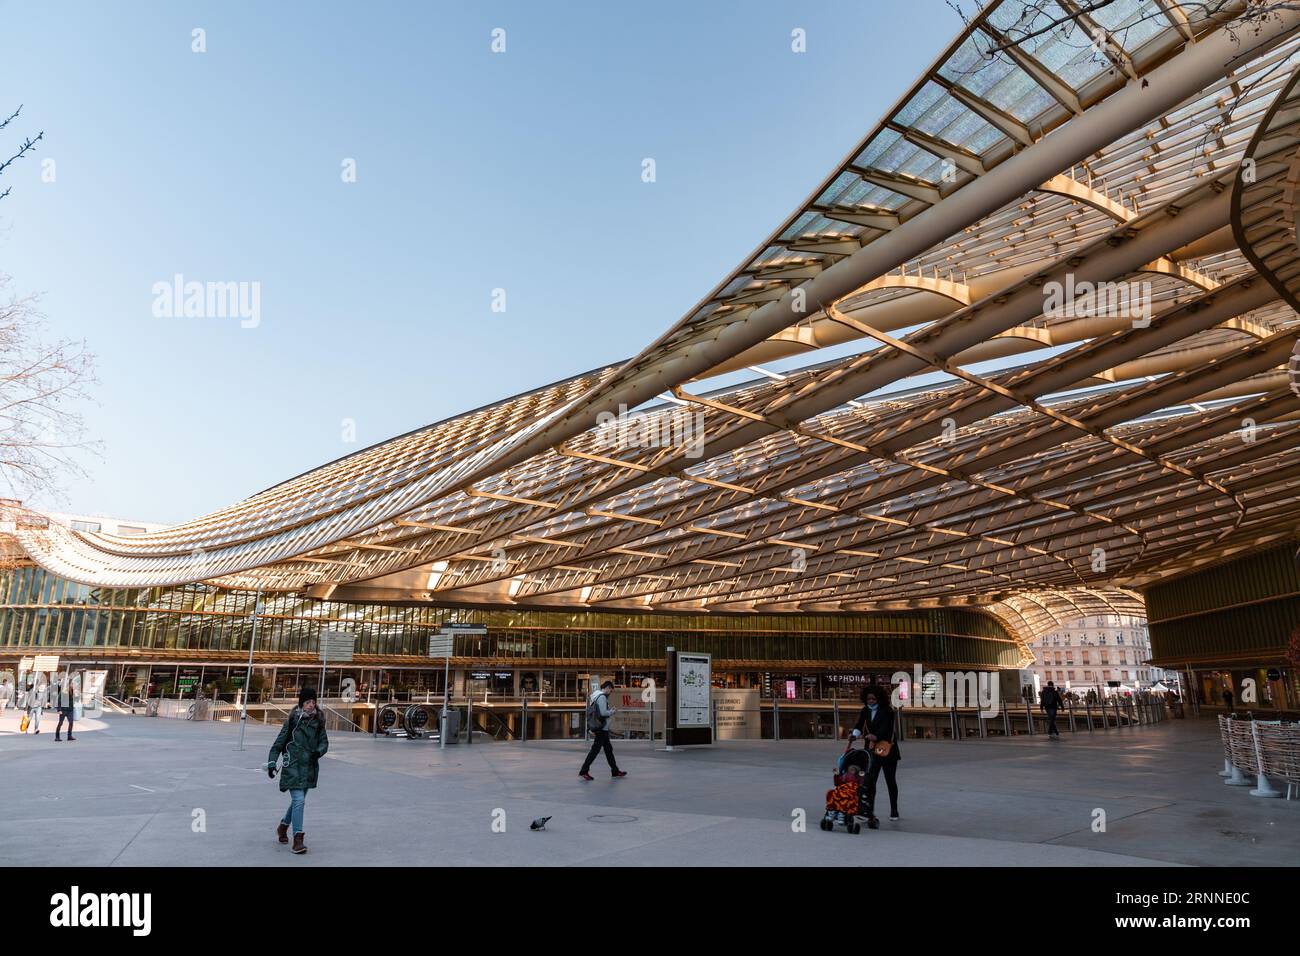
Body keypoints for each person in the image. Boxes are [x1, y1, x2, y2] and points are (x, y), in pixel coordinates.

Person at [266, 686, 329, 855]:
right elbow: (278, 744)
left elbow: (324, 742)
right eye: (308, 702)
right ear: (302, 703)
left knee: (297, 802)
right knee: (299, 800)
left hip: (309, 768)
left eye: (313, 702)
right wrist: (272, 763)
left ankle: (283, 827)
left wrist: (318, 752)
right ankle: (298, 839)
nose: (311, 705)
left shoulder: (318, 723)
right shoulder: (292, 721)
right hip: (292, 767)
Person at [850, 685, 900, 825]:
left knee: (890, 781)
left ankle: (894, 809)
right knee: (870, 782)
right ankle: (869, 810)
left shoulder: (887, 711)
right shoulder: (865, 710)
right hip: (871, 752)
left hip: (888, 751)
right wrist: (854, 734)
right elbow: (860, 725)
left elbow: (888, 728)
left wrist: (876, 736)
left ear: (879, 699)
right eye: (868, 699)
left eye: (873, 698)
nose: (870, 701)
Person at [579, 680, 626, 781]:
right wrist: (612, 711)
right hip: (601, 729)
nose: (610, 692)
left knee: (608, 750)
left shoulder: (596, 696)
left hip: (602, 729)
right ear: (607, 687)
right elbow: (604, 713)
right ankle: (584, 770)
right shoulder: (602, 697)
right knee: (595, 751)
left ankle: (615, 770)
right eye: (610, 690)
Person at [54, 676, 77, 742]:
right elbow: (59, 700)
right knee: (60, 723)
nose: (74, 685)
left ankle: (69, 736)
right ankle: (57, 737)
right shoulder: (63, 691)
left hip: (70, 709)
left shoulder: (73, 691)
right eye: (72, 683)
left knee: (71, 722)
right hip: (63, 710)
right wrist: (59, 710)